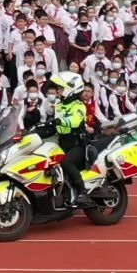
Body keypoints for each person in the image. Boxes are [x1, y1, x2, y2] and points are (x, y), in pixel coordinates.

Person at [49, 71, 98, 207]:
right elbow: (53, 126)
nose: (57, 91)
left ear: (70, 89)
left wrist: (58, 121)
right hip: (62, 144)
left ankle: (83, 193)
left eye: (60, 88)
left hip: (78, 145)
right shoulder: (59, 105)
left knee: (66, 162)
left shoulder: (79, 105)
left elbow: (75, 121)